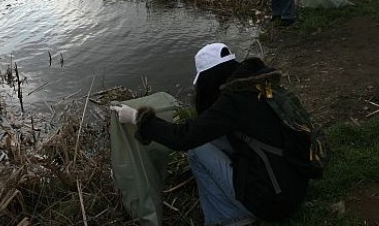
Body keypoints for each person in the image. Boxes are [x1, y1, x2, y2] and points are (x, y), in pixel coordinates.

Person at [110, 43, 311, 225]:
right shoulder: (258, 83)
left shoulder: (234, 101)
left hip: (272, 203)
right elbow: (204, 127)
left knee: (196, 150)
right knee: (210, 138)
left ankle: (228, 218)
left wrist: (137, 118)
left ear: (210, 75)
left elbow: (183, 138)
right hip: (293, 187)